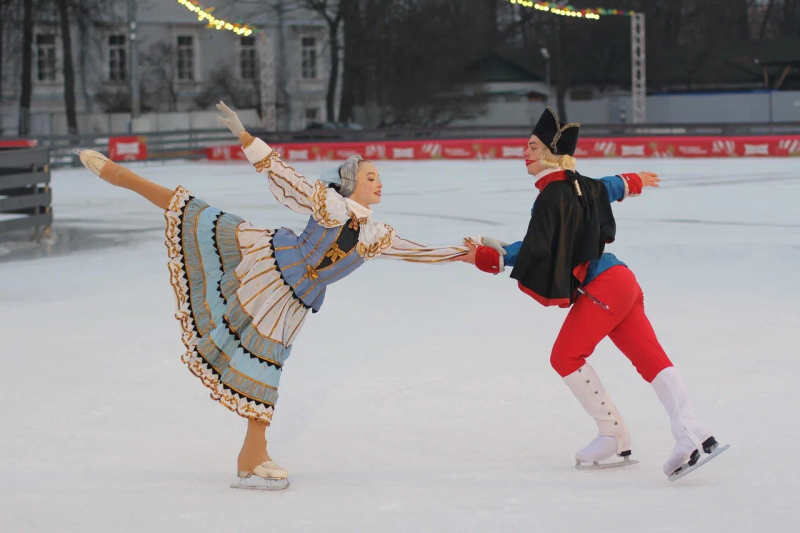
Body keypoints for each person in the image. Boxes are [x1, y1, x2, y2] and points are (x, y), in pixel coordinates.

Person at [74, 102, 469, 490]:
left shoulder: (375, 234)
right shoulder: (330, 205)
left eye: (378, 177)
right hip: (271, 268)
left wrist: (468, 254)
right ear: (350, 183)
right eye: (370, 177)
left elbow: (419, 251)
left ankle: (252, 454)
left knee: (268, 365)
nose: (379, 183)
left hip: (295, 302)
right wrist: (247, 137)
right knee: (200, 217)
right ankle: (120, 174)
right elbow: (282, 174)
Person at [454, 107, 726, 480]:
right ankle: (692, 431)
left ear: (550, 152)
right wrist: (634, 180)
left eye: (532, 146)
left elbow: (539, 249)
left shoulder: (552, 196)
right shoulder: (580, 183)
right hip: (624, 281)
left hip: (605, 287)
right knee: (651, 359)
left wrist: (486, 257)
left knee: (565, 356)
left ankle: (613, 434)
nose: (525, 152)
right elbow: (608, 187)